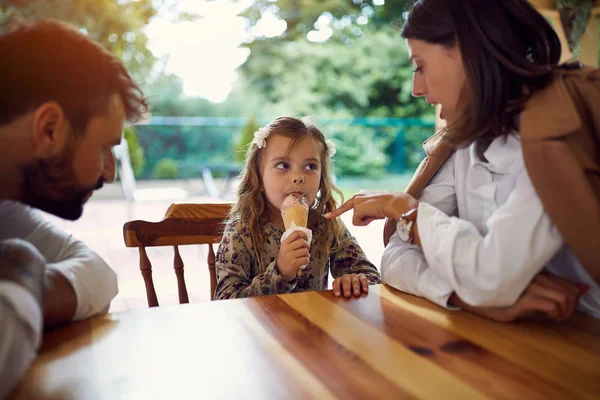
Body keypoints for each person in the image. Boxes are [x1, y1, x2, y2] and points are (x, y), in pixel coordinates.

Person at [326, 0, 599, 322]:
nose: (415, 88)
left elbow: (489, 275)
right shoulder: (465, 145)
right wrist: (464, 297)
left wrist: (404, 209)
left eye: (420, 65)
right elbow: (396, 257)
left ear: (468, 52)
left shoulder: (556, 136)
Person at [0, 19, 147, 397]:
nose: (109, 172)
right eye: (104, 147)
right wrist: (23, 264)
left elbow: (98, 274)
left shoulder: (7, 214)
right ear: (49, 129)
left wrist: (24, 274)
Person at [215, 117, 381, 300]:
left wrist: (355, 280)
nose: (298, 177)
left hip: (313, 324)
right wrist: (280, 273)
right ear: (259, 178)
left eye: (310, 166)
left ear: (321, 179)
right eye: (283, 165)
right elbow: (225, 299)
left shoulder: (326, 225)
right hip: (260, 327)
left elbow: (369, 275)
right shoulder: (241, 231)